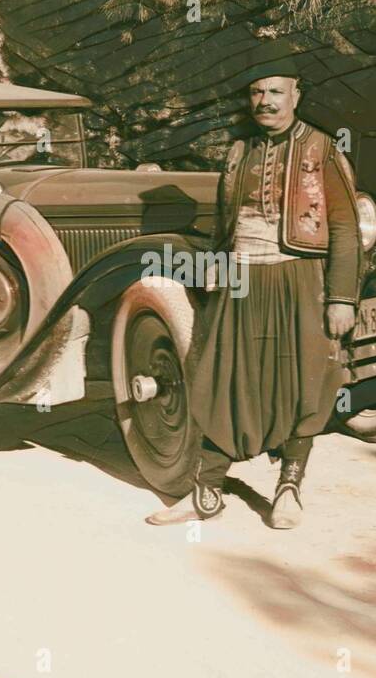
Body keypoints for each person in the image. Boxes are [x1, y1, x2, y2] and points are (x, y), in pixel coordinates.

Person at [148, 59, 362, 530]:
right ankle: (207, 493)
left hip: (298, 279)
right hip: (241, 279)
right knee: (222, 378)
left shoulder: (322, 147)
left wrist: (341, 298)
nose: (264, 101)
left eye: (275, 91)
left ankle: (289, 488)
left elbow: (345, 227)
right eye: (256, 93)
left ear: (296, 95)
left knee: (303, 382)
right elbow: (226, 222)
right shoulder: (239, 148)